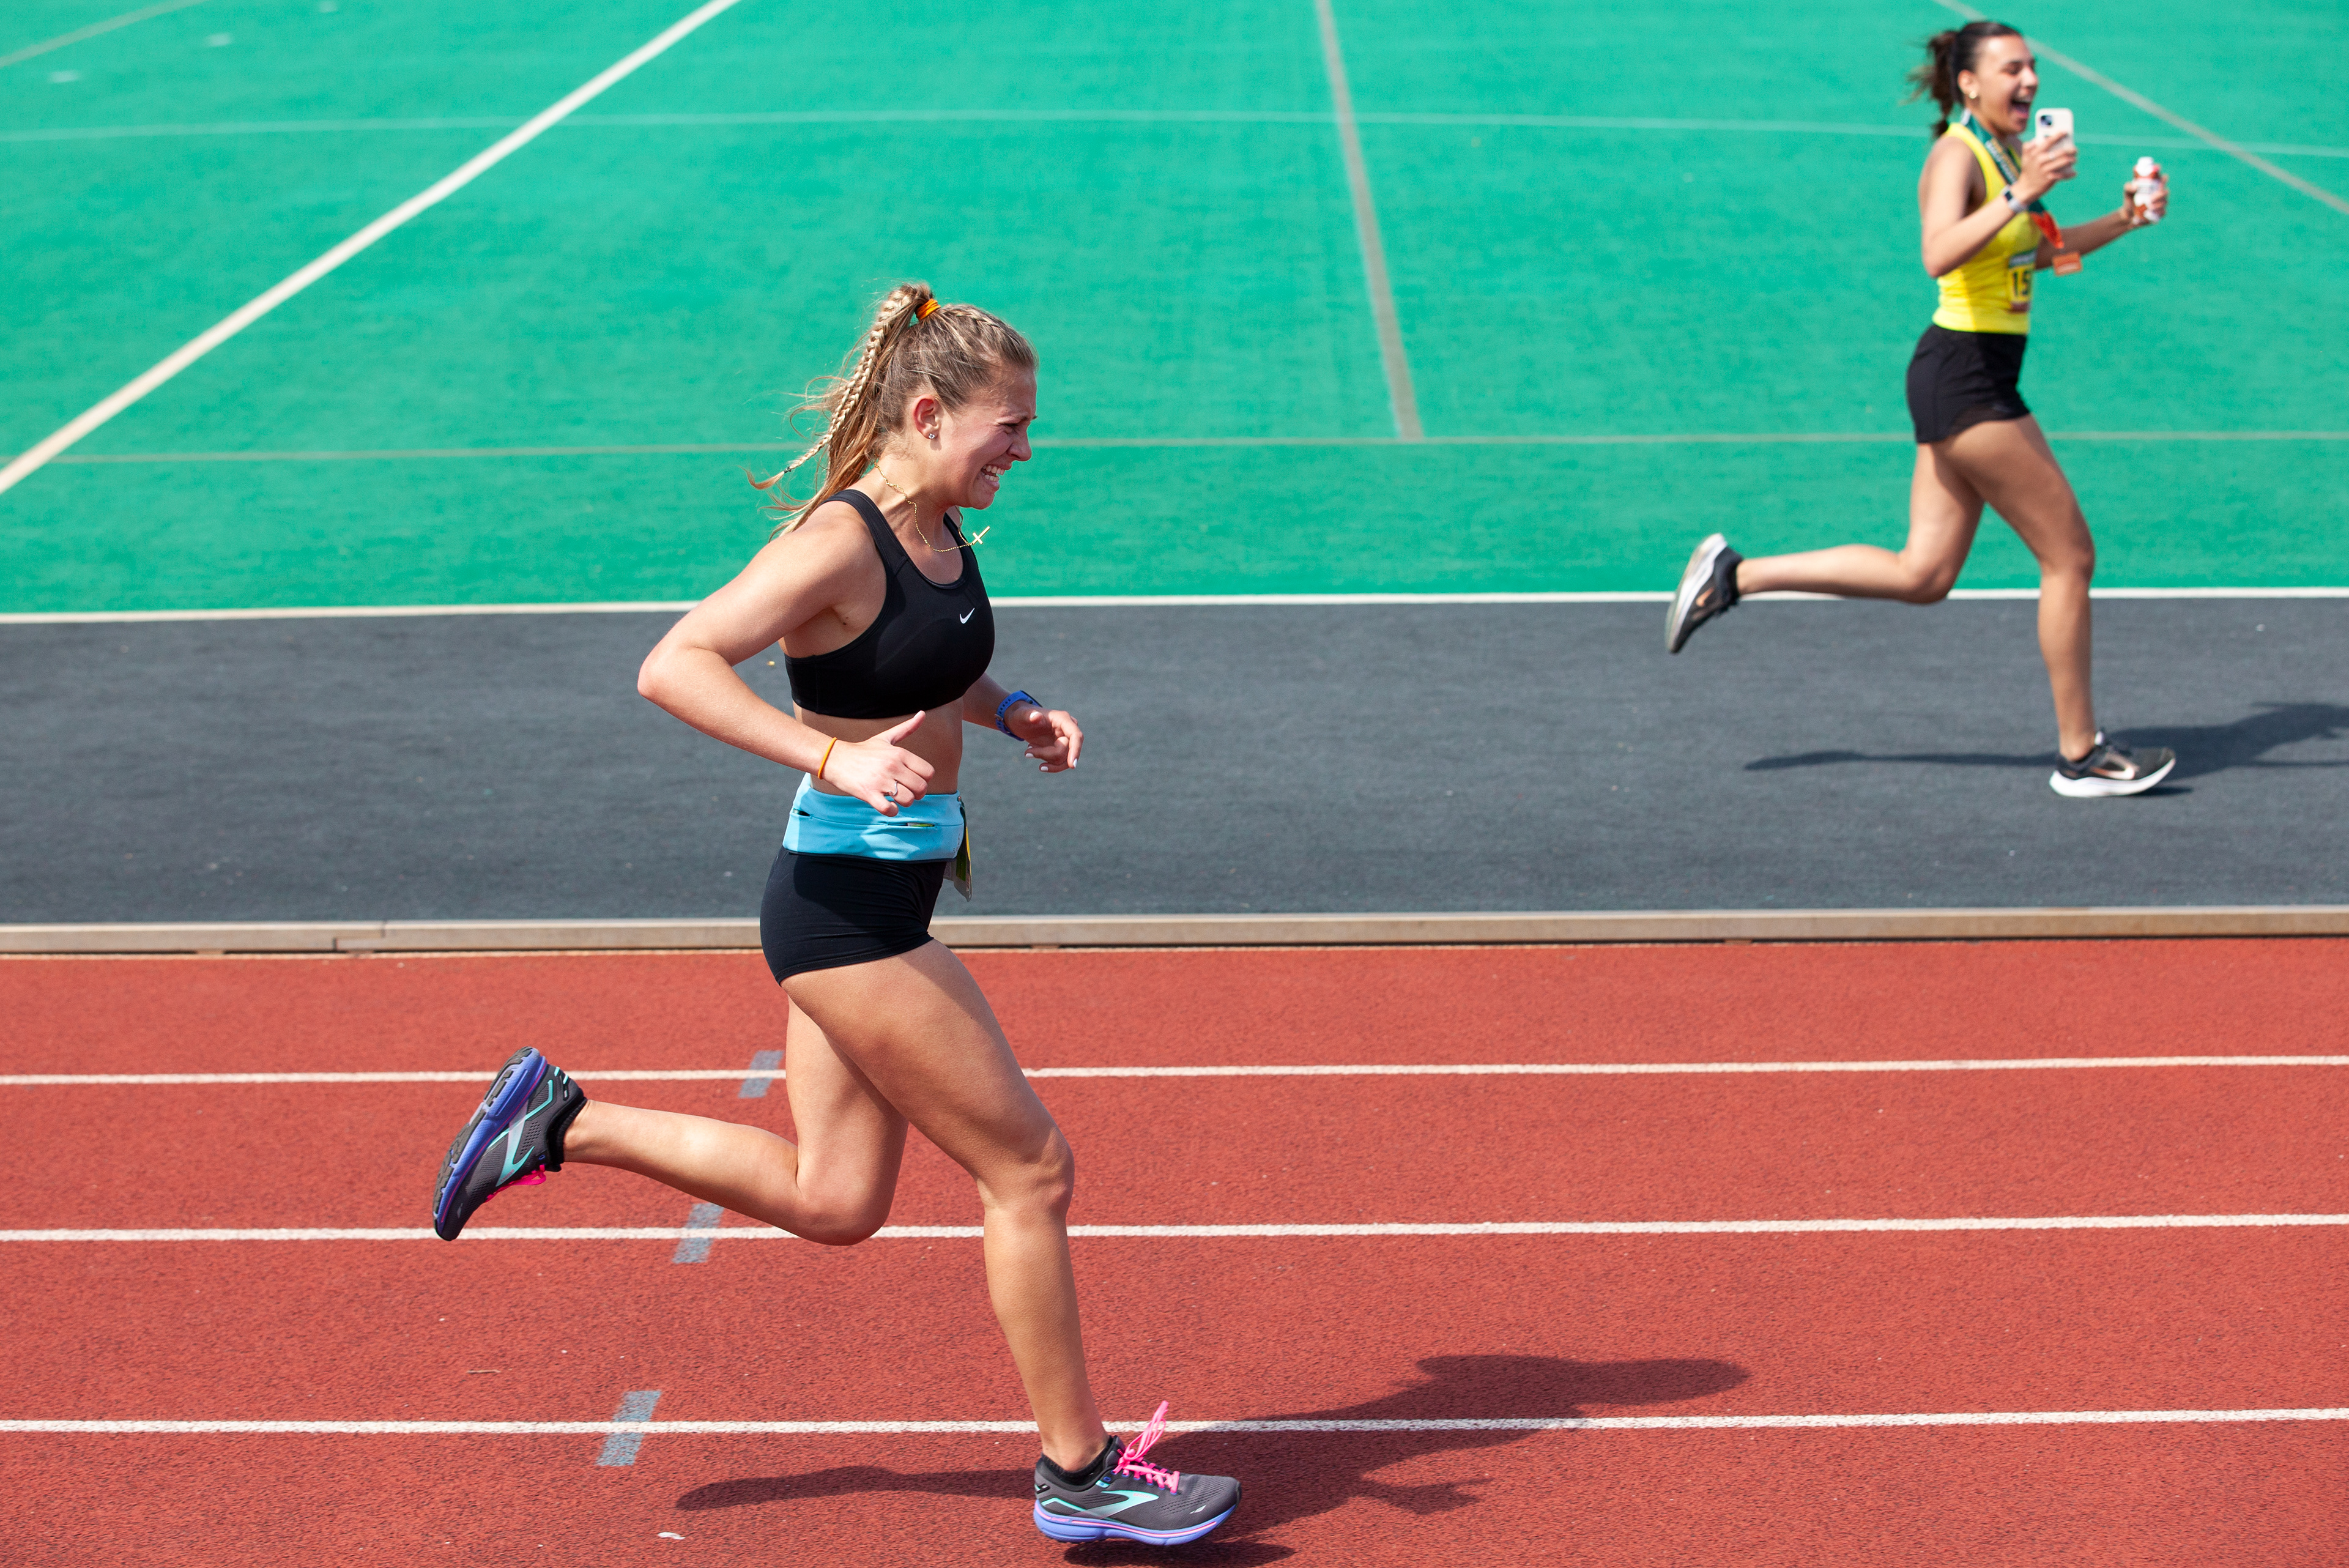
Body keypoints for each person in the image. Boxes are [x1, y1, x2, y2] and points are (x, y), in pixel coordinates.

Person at [428, 283, 1241, 1547]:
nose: (1024, 448)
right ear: (927, 414)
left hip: (874, 896)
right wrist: (830, 760)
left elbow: (924, 659)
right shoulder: (840, 540)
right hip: (849, 916)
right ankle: (1079, 1475)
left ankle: (558, 1121)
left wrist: (1010, 706)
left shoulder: (935, 528)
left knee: (835, 1199)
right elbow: (674, 664)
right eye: (1008, 427)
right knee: (1030, 1169)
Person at [1664, 20, 2176, 798]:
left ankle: (1734, 575)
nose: (2031, 82)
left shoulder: (2005, 158)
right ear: (1969, 83)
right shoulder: (1955, 156)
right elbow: (1938, 251)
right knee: (2069, 557)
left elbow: (2046, 256)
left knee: (1924, 572)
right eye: (2012, 69)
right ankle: (2082, 755)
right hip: (1966, 379)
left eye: (2034, 68)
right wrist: (2022, 191)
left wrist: (2125, 220)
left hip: (1968, 377)